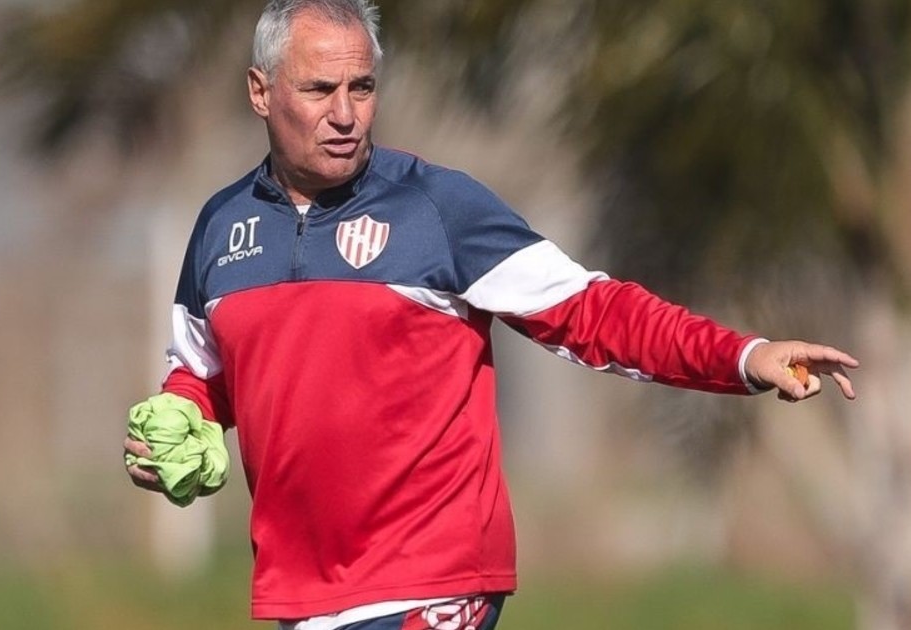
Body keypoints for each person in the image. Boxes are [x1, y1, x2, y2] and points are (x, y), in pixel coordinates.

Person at [123, 1, 860, 628]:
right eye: (319, 89)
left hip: (434, 577)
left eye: (362, 87)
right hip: (301, 589)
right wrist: (175, 426)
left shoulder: (439, 208)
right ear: (260, 90)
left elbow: (591, 312)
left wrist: (743, 357)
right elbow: (201, 373)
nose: (345, 114)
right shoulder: (222, 227)